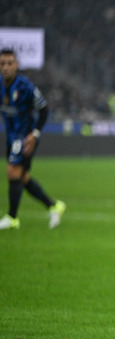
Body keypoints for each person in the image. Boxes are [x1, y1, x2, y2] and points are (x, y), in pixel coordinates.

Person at [0, 49, 65, 230]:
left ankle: (12, 217)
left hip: (25, 136)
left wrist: (35, 133)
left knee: (13, 172)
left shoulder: (25, 86)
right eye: (2, 63)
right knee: (23, 178)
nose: (5, 67)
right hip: (11, 135)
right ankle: (54, 206)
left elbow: (44, 109)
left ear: (16, 65)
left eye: (9, 63)